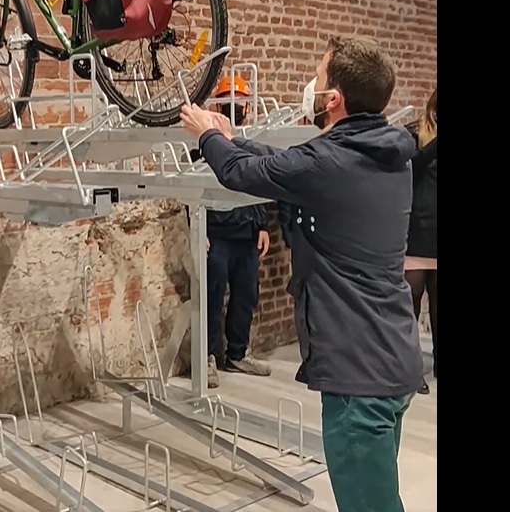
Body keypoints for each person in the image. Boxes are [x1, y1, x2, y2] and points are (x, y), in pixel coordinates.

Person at [180, 37, 421, 512]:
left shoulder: (330, 162)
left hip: (358, 374)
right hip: (391, 360)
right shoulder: (384, 154)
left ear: (334, 99)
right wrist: (232, 137)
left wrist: (207, 134)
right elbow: (286, 164)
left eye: (319, 76)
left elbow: (241, 175)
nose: (310, 85)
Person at [186, 75, 272, 387]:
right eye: (229, 100)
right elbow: (188, 184)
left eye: (240, 101)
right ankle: (207, 357)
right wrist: (197, 229)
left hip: (246, 233)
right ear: (219, 104)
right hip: (216, 233)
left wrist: (262, 225)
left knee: (246, 295)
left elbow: (258, 182)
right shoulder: (203, 143)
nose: (235, 106)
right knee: (210, 298)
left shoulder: (249, 139)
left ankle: (237, 354)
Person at [405, 87, 437, 395]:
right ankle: (411, 369)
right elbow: (409, 167)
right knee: (410, 305)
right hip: (418, 228)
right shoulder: (416, 131)